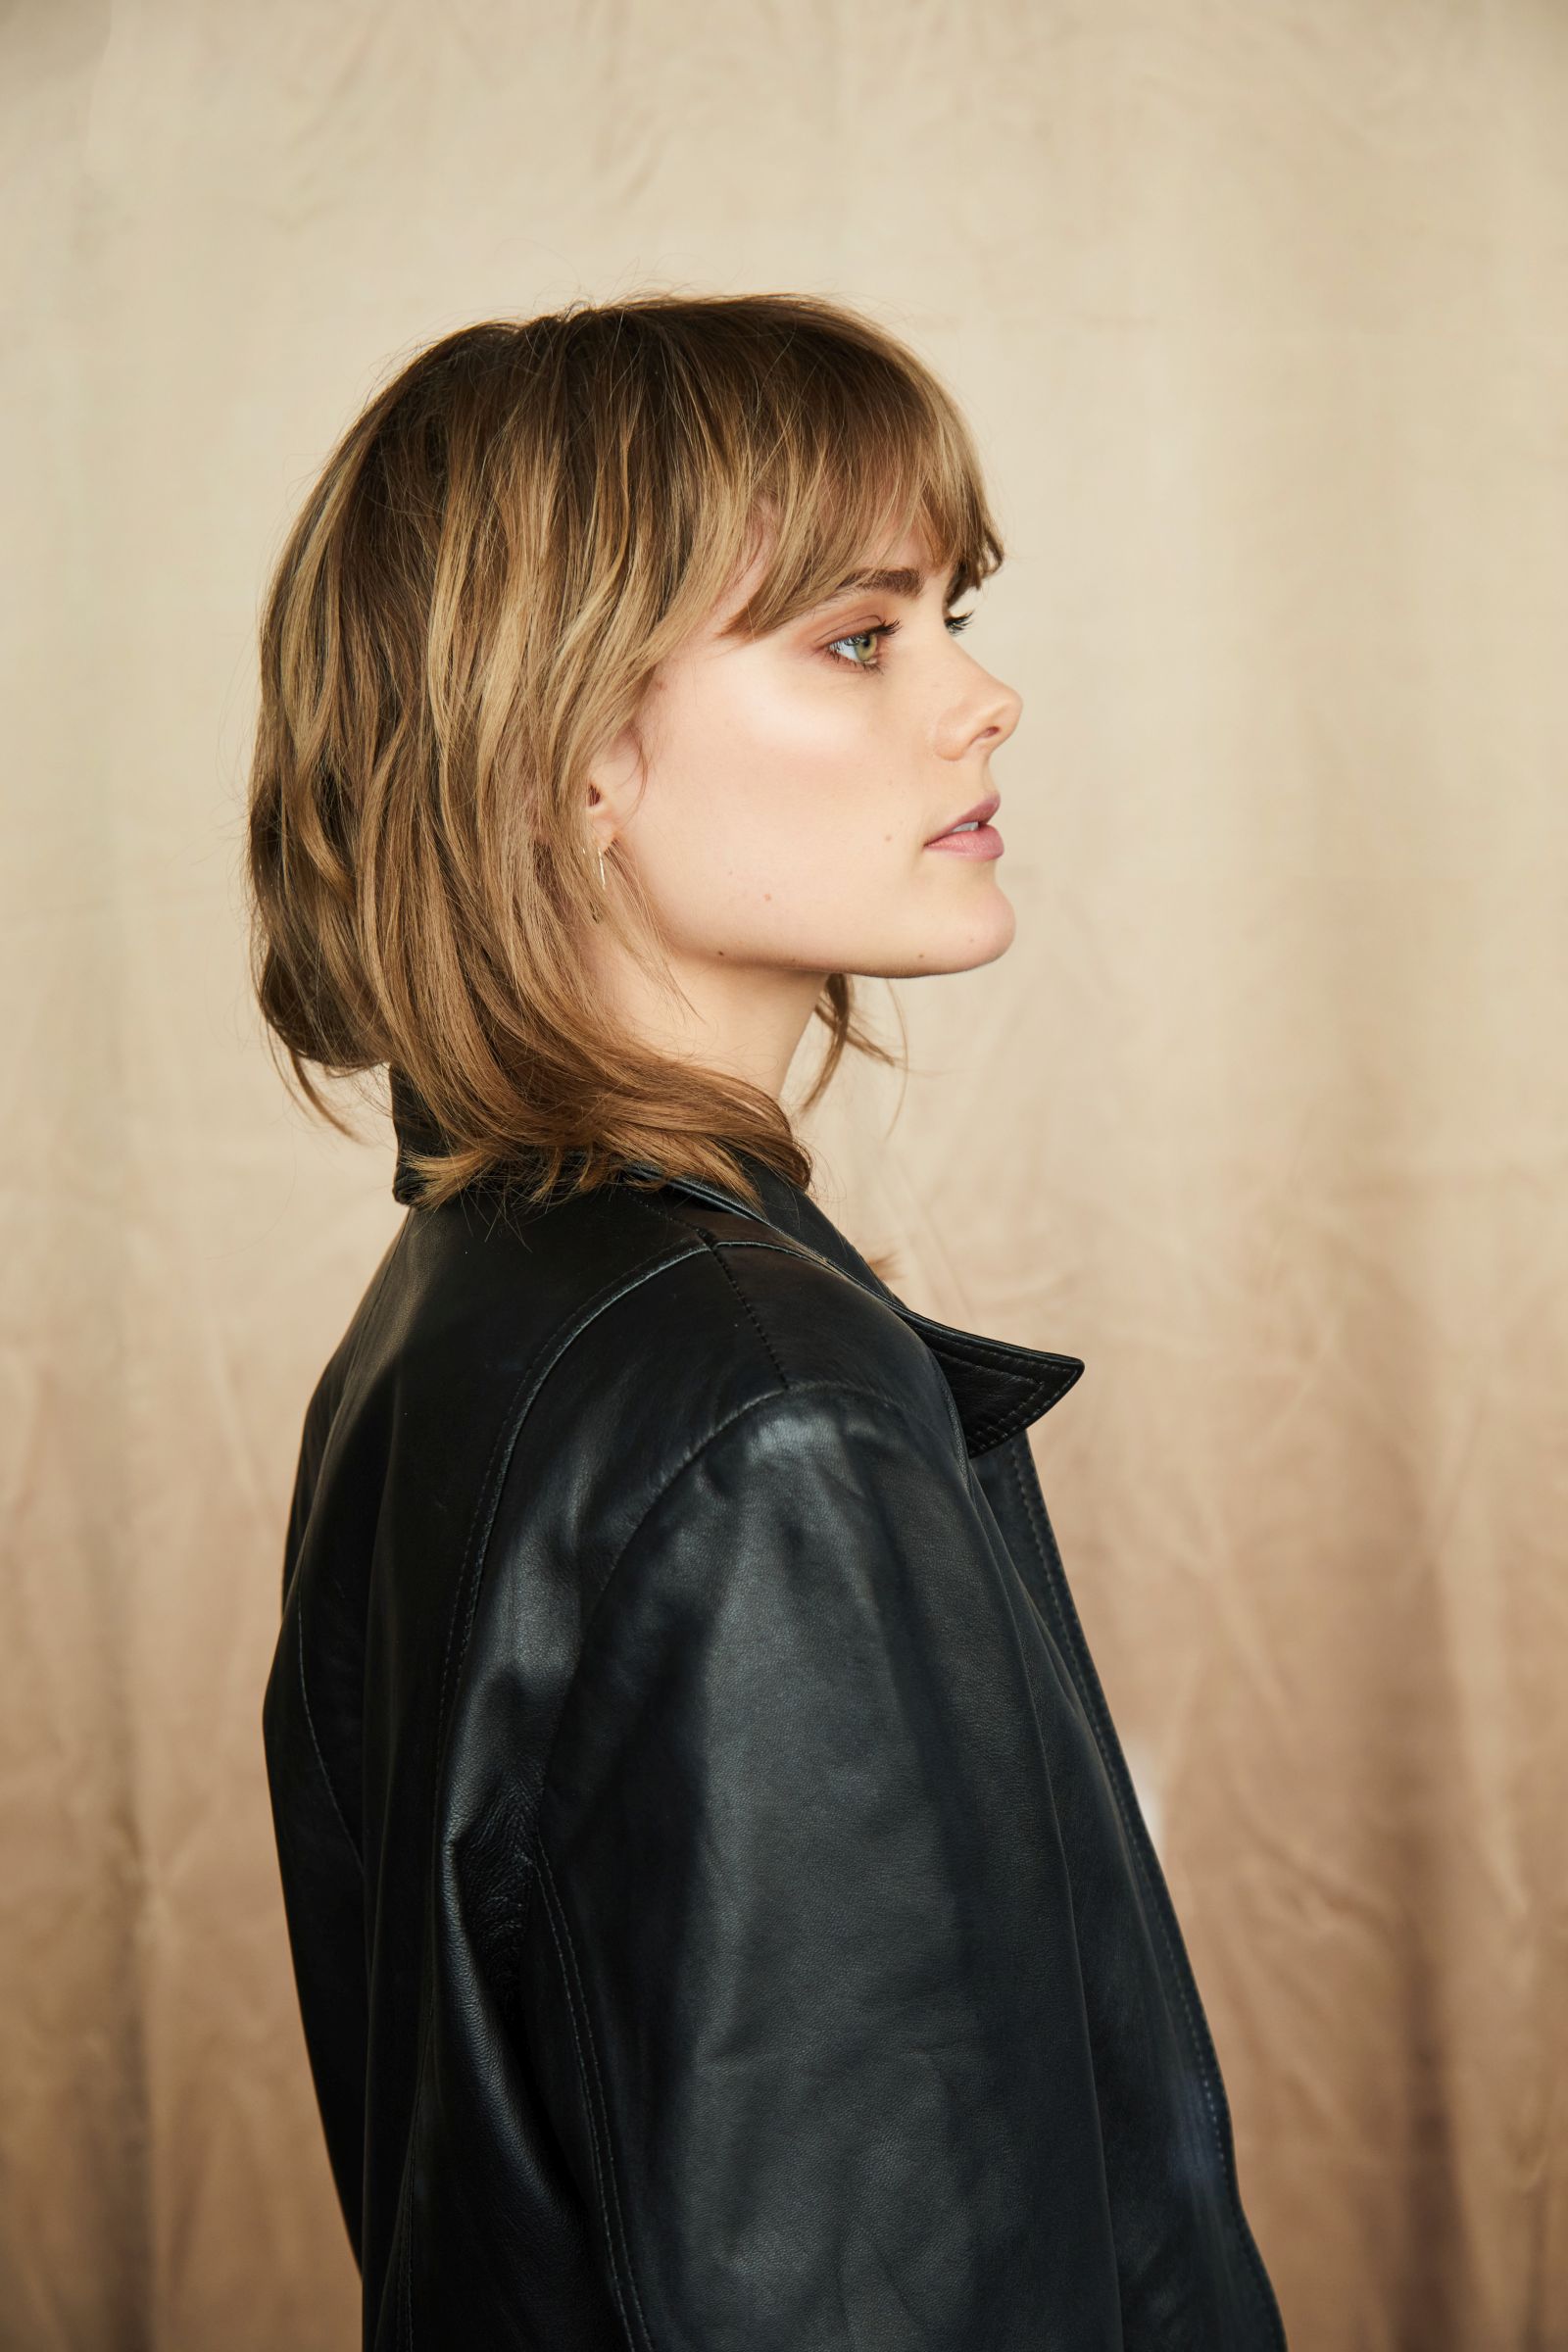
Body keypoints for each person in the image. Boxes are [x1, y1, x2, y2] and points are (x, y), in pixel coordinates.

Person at [250, 292, 1289, 2350]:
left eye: (950, 615)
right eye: (856, 635)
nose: (982, 698)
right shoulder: (761, 1422)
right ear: (565, 756)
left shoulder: (463, 1299)